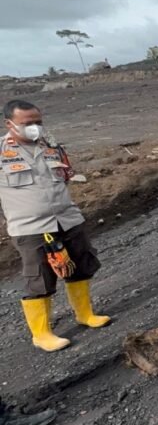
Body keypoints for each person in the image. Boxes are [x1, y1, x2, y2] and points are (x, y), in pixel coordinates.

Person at [0, 100, 109, 353]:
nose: (35, 128)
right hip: (30, 228)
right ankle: (41, 334)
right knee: (40, 277)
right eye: (28, 124)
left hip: (67, 219)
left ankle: (85, 314)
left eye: (38, 122)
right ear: (10, 124)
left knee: (81, 265)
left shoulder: (52, 147)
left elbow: (65, 180)